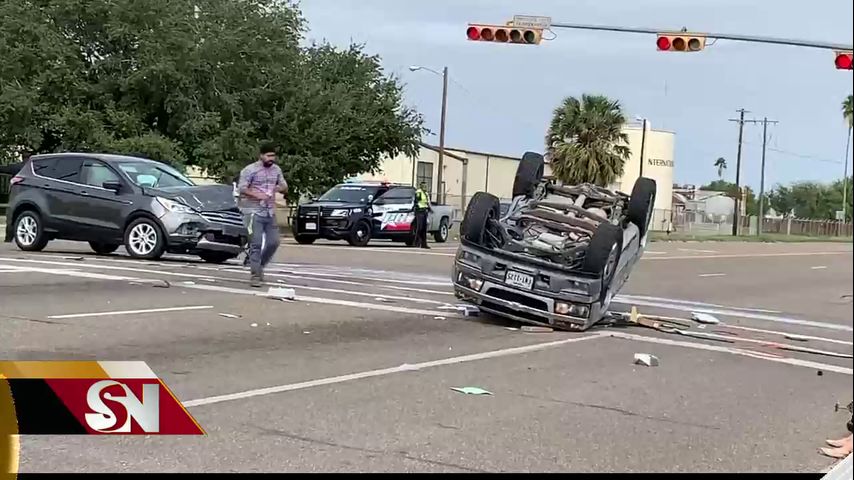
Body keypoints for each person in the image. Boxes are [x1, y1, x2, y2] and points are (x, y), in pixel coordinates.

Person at [238, 142, 288, 287]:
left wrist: (276, 189)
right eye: (268, 156)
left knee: (274, 242)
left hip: (270, 211)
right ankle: (255, 275)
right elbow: (242, 188)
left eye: (273, 156)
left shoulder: (276, 170)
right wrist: (257, 195)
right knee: (256, 243)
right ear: (261, 156)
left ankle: (260, 266)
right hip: (253, 211)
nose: (271, 158)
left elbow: (284, 185)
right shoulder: (250, 170)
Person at [413, 182, 431, 249]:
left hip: (424, 211)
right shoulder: (418, 192)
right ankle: (416, 242)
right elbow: (416, 201)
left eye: (426, 186)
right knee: (419, 227)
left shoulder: (426, 193)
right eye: (423, 186)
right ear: (421, 186)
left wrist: (429, 208)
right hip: (419, 211)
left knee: (424, 228)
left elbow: (427, 202)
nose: (425, 187)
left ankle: (424, 244)